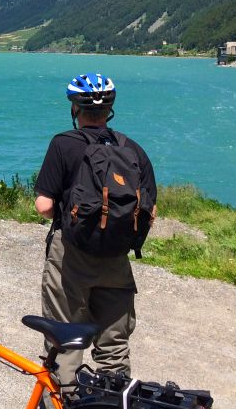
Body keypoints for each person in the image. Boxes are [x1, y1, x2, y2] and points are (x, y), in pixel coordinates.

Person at [33, 73, 156, 389]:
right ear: (110, 110)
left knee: (65, 343)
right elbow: (149, 211)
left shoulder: (64, 144)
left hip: (70, 256)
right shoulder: (133, 149)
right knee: (114, 347)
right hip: (116, 257)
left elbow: (44, 206)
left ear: (75, 108)